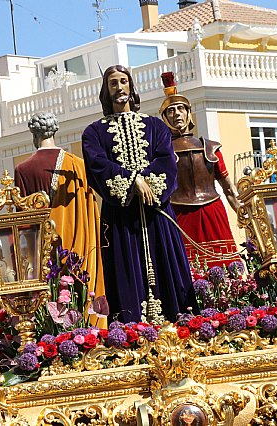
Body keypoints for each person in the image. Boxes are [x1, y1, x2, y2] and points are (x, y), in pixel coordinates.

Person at [82, 65, 194, 324]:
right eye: (113, 83)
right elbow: (97, 165)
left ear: (131, 87)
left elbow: (166, 160)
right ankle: (131, 332)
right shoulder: (94, 133)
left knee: (169, 268)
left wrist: (149, 185)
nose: (119, 87)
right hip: (120, 218)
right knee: (124, 272)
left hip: (157, 212)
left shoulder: (155, 126)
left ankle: (181, 325)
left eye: (123, 81)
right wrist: (133, 182)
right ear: (106, 90)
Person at [14, 112, 105, 324]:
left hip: (46, 254)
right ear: (55, 131)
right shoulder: (78, 166)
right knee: (81, 298)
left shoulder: (23, 170)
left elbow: (24, 224)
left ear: (33, 135)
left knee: (53, 308)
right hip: (80, 249)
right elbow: (90, 214)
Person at [159, 72, 241, 269]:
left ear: (188, 113)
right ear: (164, 117)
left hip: (212, 212)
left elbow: (228, 188)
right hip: (179, 215)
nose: (176, 114)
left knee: (226, 270)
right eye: (171, 110)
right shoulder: (161, 153)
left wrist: (243, 214)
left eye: (180, 109)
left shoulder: (210, 147)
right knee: (185, 270)